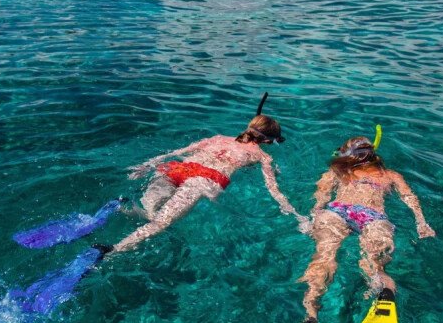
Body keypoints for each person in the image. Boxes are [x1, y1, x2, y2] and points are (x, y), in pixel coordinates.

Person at [110, 108, 306, 253]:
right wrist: (297, 215)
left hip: (177, 168)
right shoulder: (263, 157)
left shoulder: (218, 138)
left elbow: (179, 152)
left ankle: (124, 209)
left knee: (150, 212)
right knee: (161, 223)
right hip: (205, 178)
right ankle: (114, 250)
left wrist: (146, 165)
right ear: (267, 141)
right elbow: (273, 189)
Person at [298, 132, 434, 323]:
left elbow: (321, 195)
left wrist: (312, 217)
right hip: (372, 216)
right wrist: (421, 222)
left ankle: (311, 314)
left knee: (324, 258)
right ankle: (382, 303)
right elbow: (409, 197)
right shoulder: (391, 175)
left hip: (336, 211)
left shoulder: (337, 170)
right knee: (374, 267)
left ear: (347, 154)